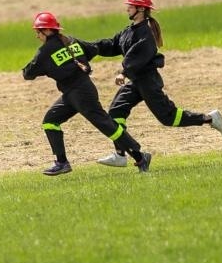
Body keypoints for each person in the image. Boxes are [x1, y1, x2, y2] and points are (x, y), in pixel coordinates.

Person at [86, 0, 222, 167]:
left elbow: (137, 56)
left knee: (168, 117)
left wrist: (123, 72)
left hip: (147, 81)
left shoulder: (146, 33)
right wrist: (88, 47)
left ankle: (209, 118)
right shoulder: (129, 31)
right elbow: (112, 45)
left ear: (141, 9)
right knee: (115, 112)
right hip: (136, 82)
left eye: (130, 6)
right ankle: (121, 154)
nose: (127, 9)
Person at [22, 11, 152, 175]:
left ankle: (140, 157)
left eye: (37, 32)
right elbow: (92, 49)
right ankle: (62, 163)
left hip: (80, 93)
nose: (37, 36)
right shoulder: (71, 41)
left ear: (47, 31)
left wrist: (48, 70)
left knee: (106, 124)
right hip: (74, 93)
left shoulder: (45, 51)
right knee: (50, 121)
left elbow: (28, 73)